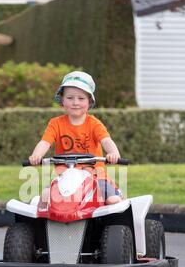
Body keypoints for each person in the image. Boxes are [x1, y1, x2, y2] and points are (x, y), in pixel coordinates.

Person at [29, 71, 123, 207]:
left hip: (95, 174)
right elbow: (45, 142)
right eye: (70, 98)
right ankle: (43, 227)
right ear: (62, 100)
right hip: (65, 175)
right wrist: (36, 155)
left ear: (89, 101)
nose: (75, 102)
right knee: (44, 198)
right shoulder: (56, 123)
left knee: (111, 200)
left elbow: (106, 140)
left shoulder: (94, 123)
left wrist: (113, 153)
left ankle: (116, 198)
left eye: (81, 98)